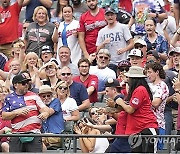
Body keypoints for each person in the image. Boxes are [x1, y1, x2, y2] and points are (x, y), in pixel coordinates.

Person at [114, 66, 158, 153]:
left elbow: (130, 109)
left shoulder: (140, 89)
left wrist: (120, 101)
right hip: (138, 130)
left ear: (134, 79)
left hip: (146, 129)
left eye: (129, 78)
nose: (128, 80)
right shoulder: (138, 90)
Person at [2, 74, 50, 152]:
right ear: (15, 85)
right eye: (23, 83)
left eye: (27, 83)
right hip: (16, 134)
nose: (26, 85)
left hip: (34, 133)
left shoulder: (35, 96)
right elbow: (4, 116)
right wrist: (16, 112)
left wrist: (46, 113)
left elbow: (45, 109)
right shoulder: (9, 98)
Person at [145, 62, 169, 150]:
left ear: (157, 72)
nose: (148, 75)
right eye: (147, 72)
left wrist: (143, 99)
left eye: (150, 72)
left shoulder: (163, 86)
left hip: (158, 124)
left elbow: (155, 103)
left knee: (156, 150)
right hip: (146, 123)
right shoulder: (149, 85)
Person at [105, 78, 131, 153]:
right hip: (120, 134)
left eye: (107, 91)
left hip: (124, 134)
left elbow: (122, 117)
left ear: (114, 90)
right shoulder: (118, 99)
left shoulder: (119, 99)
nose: (106, 94)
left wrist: (109, 117)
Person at [38, 85, 65, 150]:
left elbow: (48, 113)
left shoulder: (56, 101)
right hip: (43, 136)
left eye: (48, 96)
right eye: (43, 96)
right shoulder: (38, 105)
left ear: (52, 96)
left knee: (36, 142)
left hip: (56, 135)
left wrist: (43, 111)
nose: (46, 98)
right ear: (40, 97)